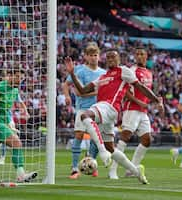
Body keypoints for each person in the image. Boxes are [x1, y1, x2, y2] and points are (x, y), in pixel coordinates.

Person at [65, 48, 164, 184]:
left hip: (110, 107)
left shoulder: (123, 71)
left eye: (113, 57)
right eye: (108, 57)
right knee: (111, 147)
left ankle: (102, 152)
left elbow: (140, 87)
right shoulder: (103, 77)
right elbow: (82, 90)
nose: (111, 59)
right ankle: (137, 173)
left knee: (85, 116)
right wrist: (72, 74)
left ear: (119, 59)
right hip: (107, 112)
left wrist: (156, 99)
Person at [108, 47, 158, 179]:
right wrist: (139, 102)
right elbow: (126, 91)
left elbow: (147, 92)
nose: (139, 56)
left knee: (147, 140)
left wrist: (155, 102)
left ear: (146, 56)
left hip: (143, 111)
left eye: (142, 54)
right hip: (131, 109)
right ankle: (113, 170)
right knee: (125, 137)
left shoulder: (149, 72)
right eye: (137, 54)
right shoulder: (132, 71)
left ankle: (132, 168)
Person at [63, 43, 106, 179]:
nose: (93, 58)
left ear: (99, 56)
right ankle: (75, 168)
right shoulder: (80, 70)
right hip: (83, 108)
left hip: (98, 109)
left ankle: (92, 165)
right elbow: (73, 88)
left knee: (95, 139)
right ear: (86, 57)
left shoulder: (103, 73)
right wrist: (67, 96)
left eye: (95, 55)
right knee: (79, 135)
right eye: (91, 55)